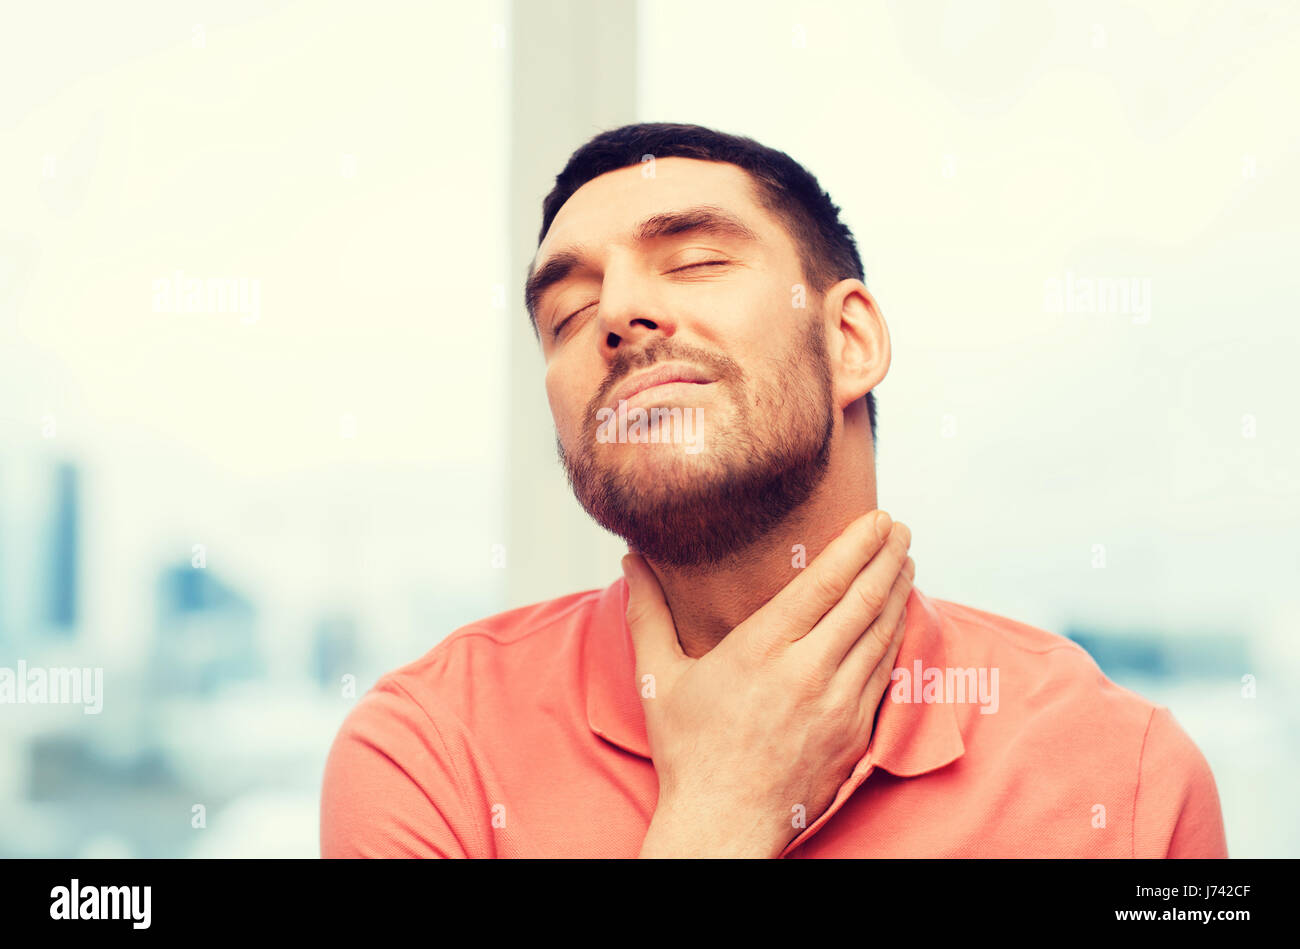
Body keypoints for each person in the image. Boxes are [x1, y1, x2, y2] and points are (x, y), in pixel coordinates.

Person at [320, 123, 1227, 858]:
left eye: (695, 262)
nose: (615, 315)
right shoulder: (430, 754)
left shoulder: (1125, 781)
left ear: (851, 342)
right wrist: (722, 812)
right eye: (565, 313)